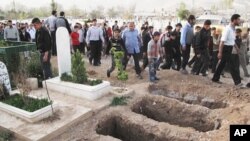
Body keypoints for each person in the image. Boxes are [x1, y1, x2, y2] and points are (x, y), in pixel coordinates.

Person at [212, 14, 242, 87]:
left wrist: (237, 48)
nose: (239, 21)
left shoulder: (233, 29)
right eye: (238, 19)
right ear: (234, 20)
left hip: (230, 48)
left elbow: (232, 40)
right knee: (232, 65)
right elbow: (222, 42)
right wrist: (220, 52)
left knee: (222, 64)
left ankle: (215, 78)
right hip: (225, 48)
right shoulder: (227, 29)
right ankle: (238, 82)